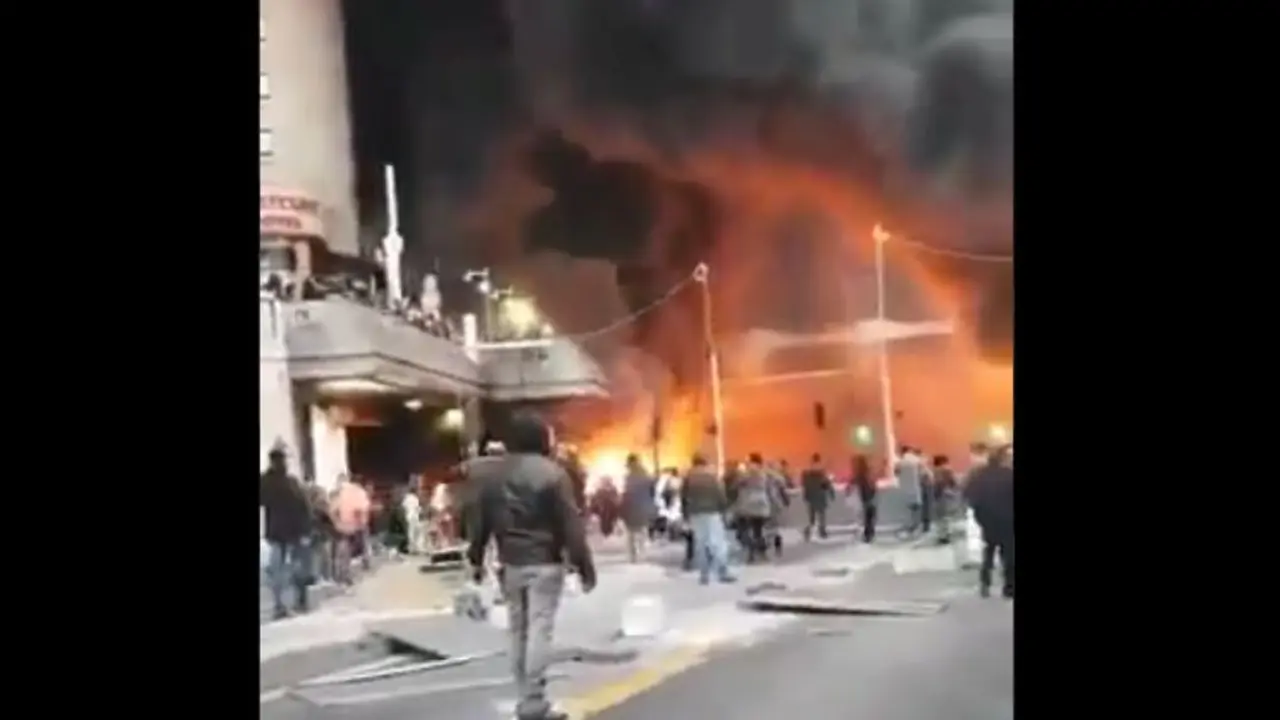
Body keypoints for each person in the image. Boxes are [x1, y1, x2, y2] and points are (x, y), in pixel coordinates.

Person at [467, 410, 596, 720]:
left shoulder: (493, 476)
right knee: (540, 630)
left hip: (510, 564)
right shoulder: (553, 474)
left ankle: (525, 698)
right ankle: (534, 701)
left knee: (518, 632)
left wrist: (476, 559)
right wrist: (584, 566)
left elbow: (480, 523)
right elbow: (571, 525)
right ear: (541, 438)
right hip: (545, 562)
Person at [260, 445, 313, 619]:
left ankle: (286, 604)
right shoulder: (286, 482)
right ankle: (291, 603)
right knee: (288, 569)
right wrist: (306, 530)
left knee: (282, 570)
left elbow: (304, 506)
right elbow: (304, 506)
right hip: (288, 533)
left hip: (280, 533)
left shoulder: (270, 481)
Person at [964, 446, 1014, 599]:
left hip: (988, 520)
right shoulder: (1009, 474)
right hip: (1008, 519)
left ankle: (985, 583)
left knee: (988, 551)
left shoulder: (979, 476)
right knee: (1008, 554)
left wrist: (980, 517)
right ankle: (1009, 587)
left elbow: (970, 496)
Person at [681, 453, 736, 584]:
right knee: (718, 543)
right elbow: (720, 494)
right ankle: (723, 571)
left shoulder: (688, 477)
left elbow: (683, 498)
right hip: (713, 512)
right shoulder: (712, 476)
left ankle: (704, 574)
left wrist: (685, 515)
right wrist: (724, 510)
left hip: (696, 514)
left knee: (700, 544)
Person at [329, 474, 371, 587]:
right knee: (344, 552)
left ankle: (341, 575)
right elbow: (361, 510)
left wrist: (336, 522)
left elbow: (332, 511)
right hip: (348, 528)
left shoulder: (338, 494)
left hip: (342, 528)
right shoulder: (352, 493)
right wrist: (360, 524)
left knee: (342, 552)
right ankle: (343, 576)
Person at [733, 453, 774, 563]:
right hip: (761, 505)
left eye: (748, 461)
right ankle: (761, 553)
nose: (747, 463)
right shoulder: (765, 473)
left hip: (749, 505)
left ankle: (752, 553)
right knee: (758, 531)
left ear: (753, 462)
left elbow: (736, 485)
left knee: (745, 531)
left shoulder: (747, 474)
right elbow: (770, 489)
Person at [620, 454, 656, 563]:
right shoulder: (646, 475)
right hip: (644, 506)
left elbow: (626, 494)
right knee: (642, 531)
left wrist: (622, 509)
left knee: (631, 533)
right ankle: (641, 553)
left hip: (631, 507)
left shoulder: (628, 477)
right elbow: (652, 492)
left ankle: (633, 556)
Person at [800, 453, 835, 541]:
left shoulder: (806, 473)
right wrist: (831, 494)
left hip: (811, 497)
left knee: (812, 518)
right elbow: (827, 485)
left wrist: (805, 496)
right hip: (820, 496)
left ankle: (808, 532)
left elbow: (804, 485)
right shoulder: (822, 473)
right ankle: (821, 531)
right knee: (821, 515)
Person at [895, 447, 927, 537]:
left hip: (905, 488)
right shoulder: (916, 460)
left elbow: (896, 472)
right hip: (916, 486)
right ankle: (917, 527)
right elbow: (923, 472)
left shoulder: (900, 462)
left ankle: (909, 527)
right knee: (916, 509)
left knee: (908, 509)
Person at [931, 455, 959, 544]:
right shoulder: (948, 470)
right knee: (947, 516)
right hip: (947, 494)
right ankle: (946, 535)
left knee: (940, 517)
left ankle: (941, 535)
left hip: (936, 495)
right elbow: (954, 482)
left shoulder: (933, 471)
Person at [850, 454, 878, 543]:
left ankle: (868, 535)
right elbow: (873, 482)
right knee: (870, 516)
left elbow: (853, 481)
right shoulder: (868, 471)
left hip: (866, 496)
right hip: (871, 495)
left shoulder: (860, 473)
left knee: (867, 517)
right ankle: (870, 534)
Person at [402, 485, 424, 555]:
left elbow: (404, 507)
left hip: (408, 517)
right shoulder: (415, 498)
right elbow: (417, 508)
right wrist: (421, 510)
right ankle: (417, 548)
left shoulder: (406, 498)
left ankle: (411, 548)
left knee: (410, 533)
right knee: (417, 533)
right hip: (415, 517)